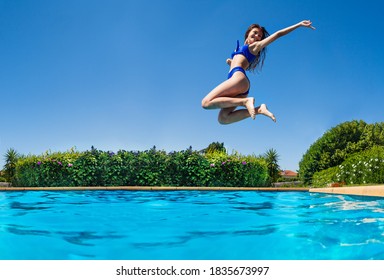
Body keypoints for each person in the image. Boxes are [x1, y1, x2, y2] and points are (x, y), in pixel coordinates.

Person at [201, 20, 315, 124]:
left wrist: (299, 24)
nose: (257, 37)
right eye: (255, 33)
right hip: (239, 84)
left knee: (206, 102)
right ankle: (259, 109)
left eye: (259, 36)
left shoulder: (254, 47)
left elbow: (278, 34)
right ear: (248, 32)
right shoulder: (240, 49)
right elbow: (239, 61)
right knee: (223, 119)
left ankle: (245, 102)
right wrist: (230, 62)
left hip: (238, 78)